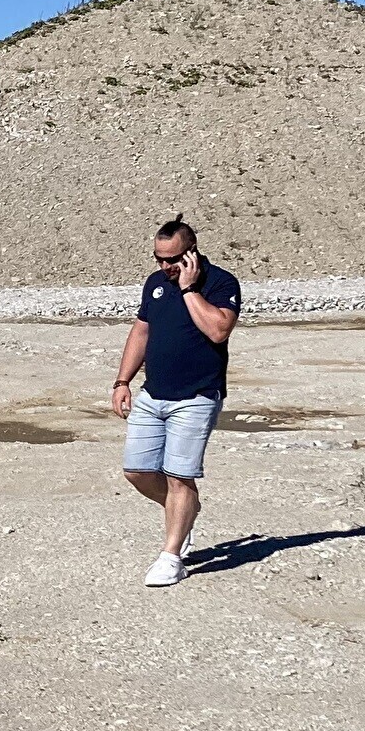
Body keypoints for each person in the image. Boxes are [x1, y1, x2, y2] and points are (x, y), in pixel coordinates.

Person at [109, 215, 241, 586]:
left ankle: (171, 556)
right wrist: (122, 381)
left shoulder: (221, 282)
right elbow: (141, 332)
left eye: (173, 259)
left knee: (180, 477)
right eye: (159, 259)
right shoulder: (154, 284)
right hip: (153, 394)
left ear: (192, 253)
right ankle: (185, 513)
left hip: (196, 397)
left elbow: (218, 330)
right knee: (137, 472)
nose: (165, 266)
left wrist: (188, 289)